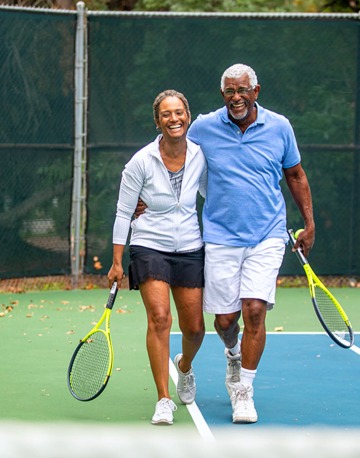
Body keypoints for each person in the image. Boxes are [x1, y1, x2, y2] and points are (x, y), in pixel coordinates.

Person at [186, 63, 315, 424]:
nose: (236, 97)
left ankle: (243, 390)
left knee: (254, 311)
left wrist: (309, 223)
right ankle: (232, 355)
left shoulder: (280, 127)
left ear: (256, 92)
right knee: (226, 321)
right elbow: (172, 155)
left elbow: (295, 175)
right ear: (222, 94)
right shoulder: (204, 127)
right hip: (220, 237)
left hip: (268, 235)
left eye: (243, 90)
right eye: (229, 91)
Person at [107, 90, 207, 426]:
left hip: (191, 246)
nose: (174, 119)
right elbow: (124, 211)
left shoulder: (200, 156)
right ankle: (164, 398)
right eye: (167, 114)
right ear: (158, 121)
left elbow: (215, 193)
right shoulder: (140, 161)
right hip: (150, 244)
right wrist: (118, 261)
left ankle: (185, 367)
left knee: (194, 328)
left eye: (179, 112)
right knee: (160, 318)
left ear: (188, 116)